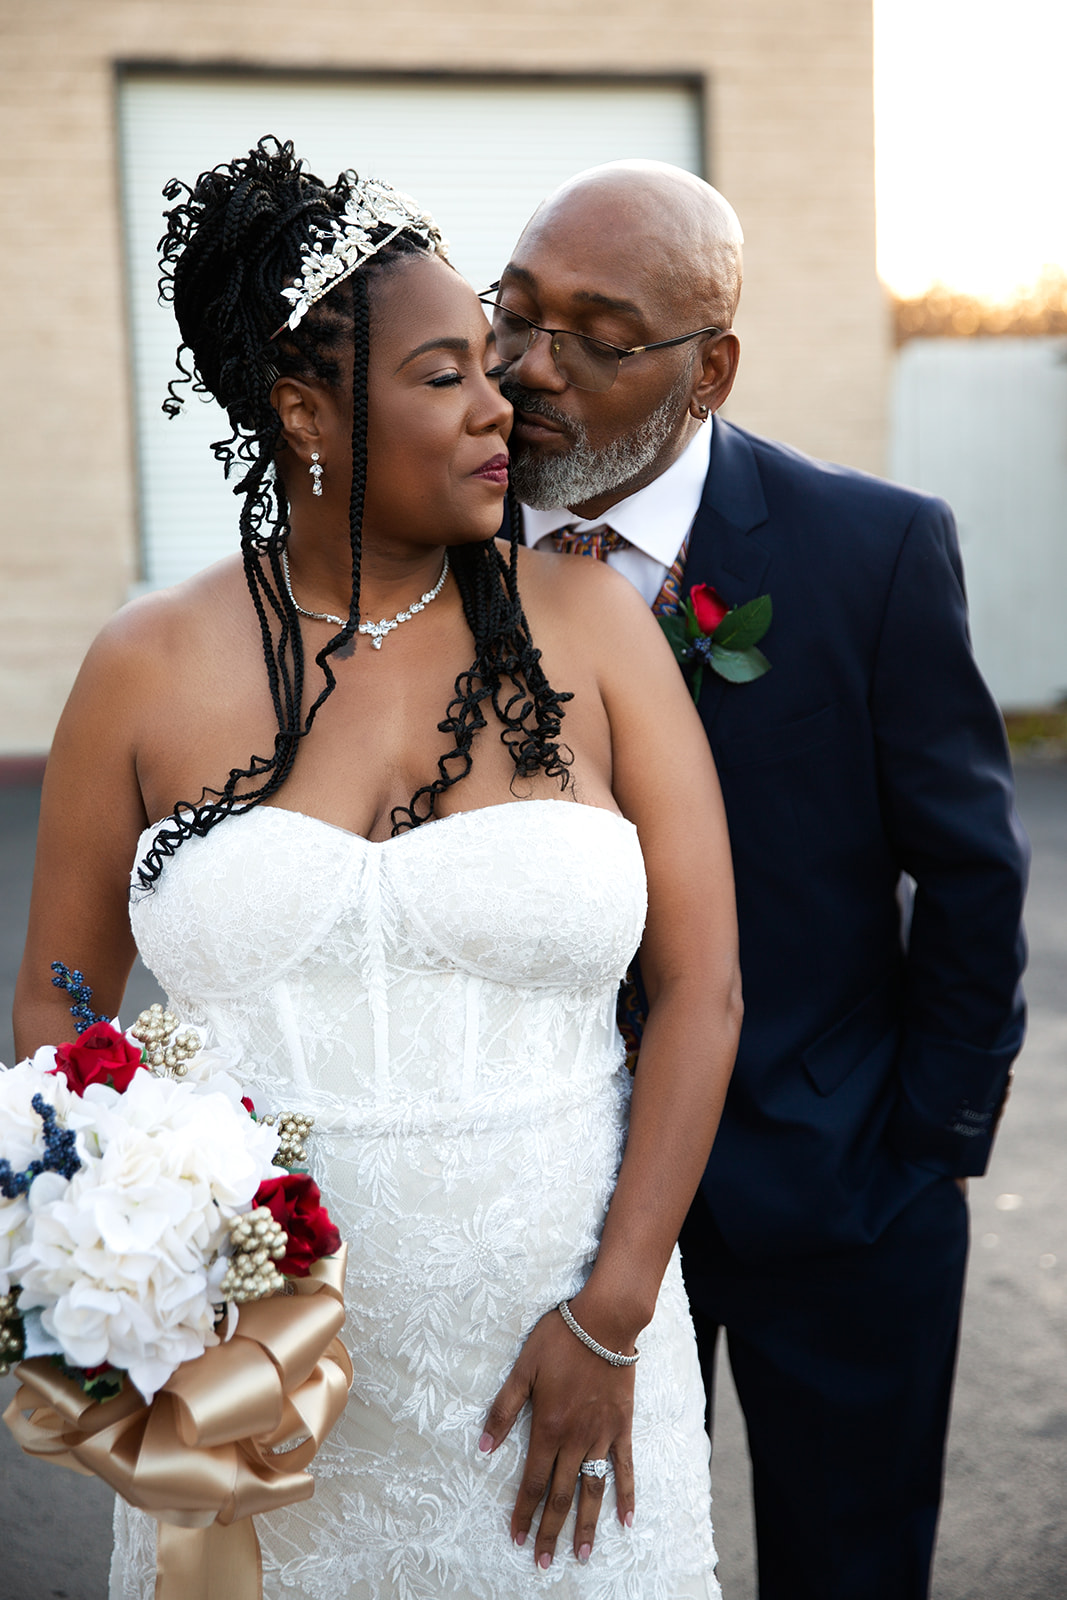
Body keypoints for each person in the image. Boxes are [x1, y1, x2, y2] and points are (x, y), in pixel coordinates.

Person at [13, 140, 741, 1600]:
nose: (505, 405)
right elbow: (56, 1009)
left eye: (496, 359)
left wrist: (612, 1319)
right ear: (302, 411)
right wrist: (147, 1277)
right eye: (446, 375)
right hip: (258, 1384)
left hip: (560, 1364)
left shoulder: (591, 629)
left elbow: (704, 991)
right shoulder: (142, 665)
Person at [489, 159, 1029, 1600]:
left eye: (597, 339)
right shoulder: (443, 554)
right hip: (530, 1210)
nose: (529, 369)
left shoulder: (874, 551)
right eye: (514, 312)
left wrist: (928, 1146)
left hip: (841, 1193)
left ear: (710, 368)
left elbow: (971, 874)